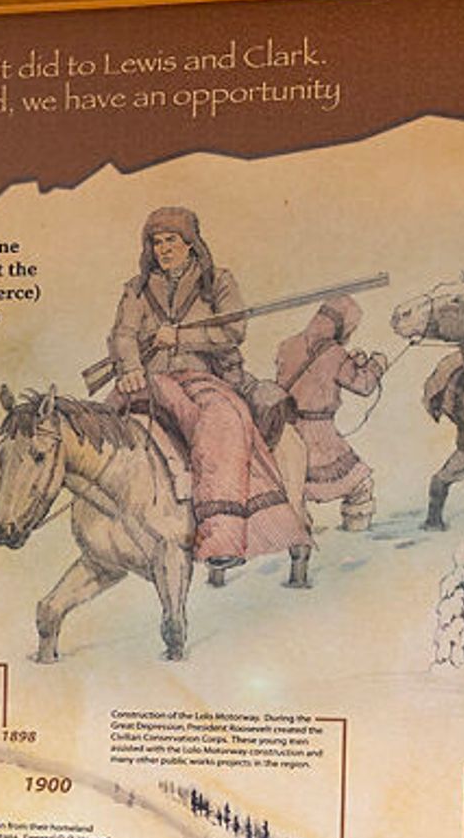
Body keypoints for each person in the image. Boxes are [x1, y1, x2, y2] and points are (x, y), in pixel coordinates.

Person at [102, 204, 307, 578]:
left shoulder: (218, 282)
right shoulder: (136, 289)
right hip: (147, 382)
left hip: (200, 378)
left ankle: (222, 537)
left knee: (223, 419)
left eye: (171, 241)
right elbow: (123, 334)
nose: (163, 249)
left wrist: (180, 336)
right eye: (157, 242)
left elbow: (233, 330)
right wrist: (130, 367)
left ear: (190, 243)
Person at [270, 296, 383, 531]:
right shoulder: (335, 354)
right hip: (319, 433)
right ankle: (357, 534)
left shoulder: (287, 344)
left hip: (286, 429)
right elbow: (364, 386)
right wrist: (376, 364)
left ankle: (298, 531)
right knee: (360, 483)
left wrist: (350, 361)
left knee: (294, 484)